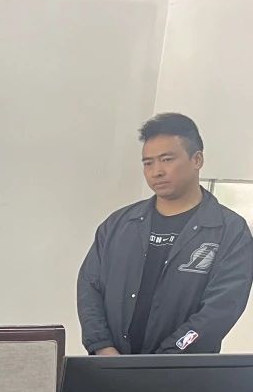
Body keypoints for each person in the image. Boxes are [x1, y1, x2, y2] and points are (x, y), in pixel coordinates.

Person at [78, 112, 253, 356]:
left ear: (197, 159)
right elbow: (89, 287)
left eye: (167, 159)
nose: (156, 171)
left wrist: (166, 359)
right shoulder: (119, 225)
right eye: (148, 163)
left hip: (182, 372)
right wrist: (102, 347)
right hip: (111, 366)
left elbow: (220, 309)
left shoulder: (229, 231)